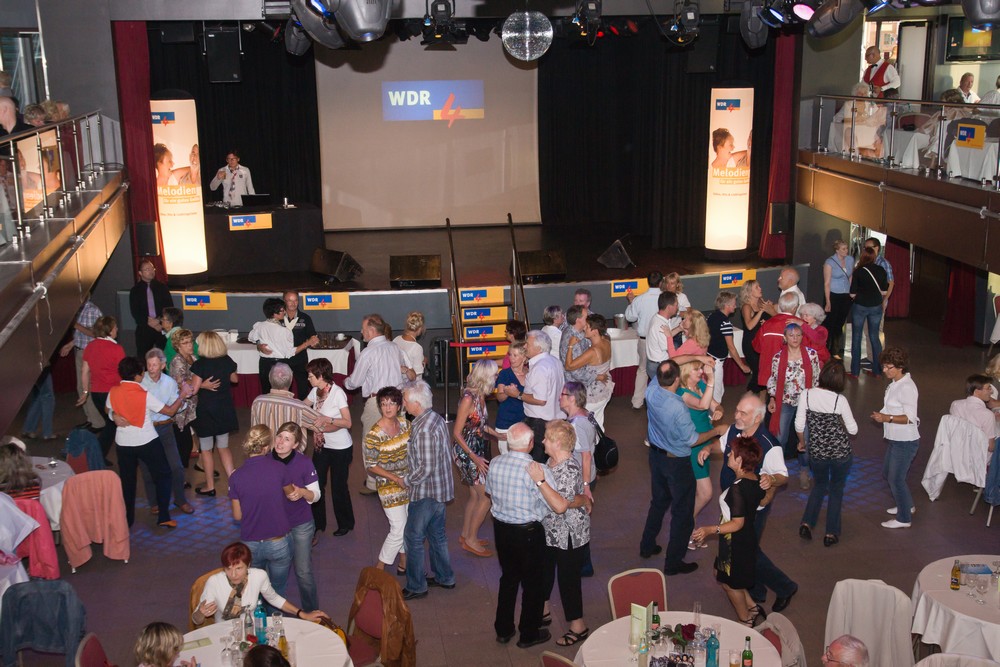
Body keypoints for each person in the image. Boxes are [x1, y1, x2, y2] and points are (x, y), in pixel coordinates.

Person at [698, 393, 797, 613]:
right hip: (732, 503)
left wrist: (771, 479)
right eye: (737, 410)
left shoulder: (769, 445)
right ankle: (756, 589)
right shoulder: (735, 430)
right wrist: (708, 448)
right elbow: (721, 445)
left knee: (747, 551)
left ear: (757, 418)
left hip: (753, 509)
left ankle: (785, 587)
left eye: (744, 413)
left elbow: (783, 476)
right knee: (745, 549)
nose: (737, 416)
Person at [639, 360, 727, 576]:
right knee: (682, 512)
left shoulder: (651, 390)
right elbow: (692, 439)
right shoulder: (678, 407)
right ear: (677, 379)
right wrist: (716, 432)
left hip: (656, 457)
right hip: (677, 463)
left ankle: (647, 545)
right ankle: (673, 562)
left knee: (659, 502)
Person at [485, 422, 553, 648]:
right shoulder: (537, 469)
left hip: (502, 530)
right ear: (531, 443)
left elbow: (489, 492)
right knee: (533, 584)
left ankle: (503, 630)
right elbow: (551, 503)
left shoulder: (495, 463)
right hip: (529, 532)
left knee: (509, 578)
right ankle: (528, 634)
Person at [528, 420, 593, 648]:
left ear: (557, 442)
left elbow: (560, 505)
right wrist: (582, 499)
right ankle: (544, 610)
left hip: (569, 534)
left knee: (568, 580)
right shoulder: (552, 460)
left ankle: (578, 627)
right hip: (551, 530)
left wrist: (540, 481)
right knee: (545, 571)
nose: (542, 441)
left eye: (546, 438)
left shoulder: (568, 468)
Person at [691, 436, 765, 626]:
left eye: (732, 453)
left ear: (739, 460)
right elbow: (763, 499)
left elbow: (737, 523)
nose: (728, 455)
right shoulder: (755, 479)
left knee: (729, 584)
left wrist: (709, 529)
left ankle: (745, 620)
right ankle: (753, 607)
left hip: (735, 542)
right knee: (722, 573)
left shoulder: (737, 489)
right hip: (745, 538)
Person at [107, 356, 184, 528]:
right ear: (137, 375)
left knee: (128, 482)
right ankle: (163, 516)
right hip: (146, 441)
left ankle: (128, 521)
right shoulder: (144, 394)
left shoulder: (114, 391)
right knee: (164, 475)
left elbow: (108, 408)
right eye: (142, 372)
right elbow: (170, 411)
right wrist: (182, 396)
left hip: (123, 444)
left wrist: (113, 415)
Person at [344, 313, 414, 494]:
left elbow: (355, 382)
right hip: (397, 400)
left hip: (377, 402)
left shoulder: (368, 352)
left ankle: (373, 483)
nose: (361, 332)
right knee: (397, 440)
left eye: (363, 329)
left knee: (371, 442)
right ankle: (398, 477)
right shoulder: (395, 348)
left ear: (371, 330)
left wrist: (345, 382)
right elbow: (406, 375)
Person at [400, 380, 456, 600]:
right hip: (440, 489)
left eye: (405, 399)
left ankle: (416, 585)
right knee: (437, 535)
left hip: (426, 492)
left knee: (413, 537)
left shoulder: (423, 429)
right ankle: (445, 577)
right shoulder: (435, 418)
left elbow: (425, 468)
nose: (403, 403)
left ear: (416, 403)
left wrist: (406, 480)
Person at [796, 362, 858, 547]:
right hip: (840, 453)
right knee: (836, 489)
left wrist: (802, 442)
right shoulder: (840, 400)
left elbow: (799, 425)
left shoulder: (806, 394)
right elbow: (853, 430)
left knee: (819, 486)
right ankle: (831, 533)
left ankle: (807, 523)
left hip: (817, 452)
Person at [192, 542, 329, 625]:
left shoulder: (258, 576)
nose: (233, 574)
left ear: (248, 566)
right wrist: (201, 613)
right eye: (228, 569)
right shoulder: (215, 582)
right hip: (224, 633)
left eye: (238, 568)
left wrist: (302, 614)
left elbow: (274, 598)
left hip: (252, 631)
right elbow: (196, 620)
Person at [228, 425, 293, 598]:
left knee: (254, 588)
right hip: (278, 541)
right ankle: (274, 614)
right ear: (266, 447)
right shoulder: (279, 468)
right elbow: (291, 493)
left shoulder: (236, 477)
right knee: (277, 589)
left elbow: (237, 515)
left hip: (251, 544)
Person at [271, 422, 321, 612]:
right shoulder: (266, 460)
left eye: (287, 439)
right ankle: (273, 616)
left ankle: (312, 614)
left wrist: (301, 492)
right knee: (274, 574)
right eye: (279, 436)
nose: (280, 442)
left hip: (301, 524)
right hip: (275, 525)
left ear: (295, 445)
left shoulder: (304, 463)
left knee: (303, 572)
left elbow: (316, 495)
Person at [453, 359, 500, 557]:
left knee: (475, 494)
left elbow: (479, 425)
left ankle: (466, 534)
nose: (496, 377)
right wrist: (475, 458)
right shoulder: (468, 399)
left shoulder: (479, 395)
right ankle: (471, 539)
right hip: (467, 453)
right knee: (487, 497)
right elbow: (457, 432)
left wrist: (498, 435)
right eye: (494, 374)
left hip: (476, 450)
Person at [139, 348, 193, 516]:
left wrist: (183, 400)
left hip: (165, 427)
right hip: (146, 428)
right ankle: (154, 502)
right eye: (149, 365)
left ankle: (180, 499)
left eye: (155, 365)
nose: (151, 368)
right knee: (147, 469)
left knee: (176, 467)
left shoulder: (169, 382)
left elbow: (174, 406)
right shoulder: (140, 382)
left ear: (163, 365)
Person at [363, 386, 410, 574]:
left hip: (408, 482)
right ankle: (379, 568)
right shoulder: (374, 434)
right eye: (383, 404)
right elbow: (371, 465)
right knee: (398, 527)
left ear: (399, 406)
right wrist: (395, 478)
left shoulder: (405, 424)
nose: (388, 407)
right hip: (388, 485)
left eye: (391, 403)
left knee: (406, 524)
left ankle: (403, 562)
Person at [872, 346, 920, 529]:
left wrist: (887, 418)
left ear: (900, 367)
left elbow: (910, 417)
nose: (885, 370)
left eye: (888, 367)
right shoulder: (895, 383)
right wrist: (883, 415)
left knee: (896, 479)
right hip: (895, 439)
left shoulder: (907, 387)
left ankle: (904, 518)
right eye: (884, 366)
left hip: (905, 441)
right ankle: (907, 505)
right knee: (888, 473)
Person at [305, 357, 353, 538]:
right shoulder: (315, 391)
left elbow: (347, 423)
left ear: (320, 376)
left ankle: (345, 523)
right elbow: (302, 407)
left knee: (338, 486)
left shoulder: (337, 393)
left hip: (341, 448)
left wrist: (328, 420)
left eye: (311, 375)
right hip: (322, 446)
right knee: (316, 484)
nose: (308, 378)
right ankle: (318, 524)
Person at [766, 323, 821, 478]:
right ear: (785, 338)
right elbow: (773, 380)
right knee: (780, 437)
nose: (795, 338)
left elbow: (817, 379)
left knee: (806, 438)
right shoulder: (778, 358)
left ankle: (804, 469)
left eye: (798, 335)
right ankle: (778, 469)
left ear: (802, 337)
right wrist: (772, 399)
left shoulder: (812, 355)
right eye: (791, 335)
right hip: (785, 401)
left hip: (807, 403)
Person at [190, 330, 239, 495]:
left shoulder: (199, 365)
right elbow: (235, 379)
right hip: (224, 408)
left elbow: (193, 390)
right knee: (224, 447)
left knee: (206, 449)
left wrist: (203, 385)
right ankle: (234, 485)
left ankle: (210, 486)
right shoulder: (227, 361)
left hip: (206, 411)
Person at [677, 360, 722, 538]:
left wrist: (719, 410)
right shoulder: (682, 393)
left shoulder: (700, 385)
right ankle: (687, 523)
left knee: (698, 491)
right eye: (696, 369)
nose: (701, 371)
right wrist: (711, 381)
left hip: (705, 441)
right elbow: (702, 405)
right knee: (705, 493)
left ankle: (687, 525)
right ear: (686, 372)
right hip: (693, 444)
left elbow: (714, 404)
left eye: (700, 368)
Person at [168, 328, 217, 473]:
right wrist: (203, 385)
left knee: (208, 433)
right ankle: (179, 475)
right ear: (178, 346)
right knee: (184, 444)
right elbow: (182, 383)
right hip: (182, 408)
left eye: (190, 342)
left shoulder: (193, 358)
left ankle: (202, 463)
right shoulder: (177, 361)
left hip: (195, 406)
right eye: (185, 343)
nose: (190, 345)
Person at [77, 315, 126, 462]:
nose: (117, 329)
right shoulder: (116, 349)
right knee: (112, 425)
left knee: (110, 424)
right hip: (112, 393)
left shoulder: (90, 346)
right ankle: (95, 456)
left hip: (96, 393)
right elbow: (124, 372)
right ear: (109, 330)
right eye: (115, 327)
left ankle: (99, 456)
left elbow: (84, 371)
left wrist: (85, 392)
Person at [249, 297, 318, 397]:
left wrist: (259, 343)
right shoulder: (284, 331)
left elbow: (251, 337)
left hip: (264, 364)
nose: (284, 312)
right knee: (283, 394)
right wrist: (307, 343)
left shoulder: (259, 326)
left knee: (267, 393)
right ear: (275, 313)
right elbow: (289, 353)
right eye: (282, 310)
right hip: (280, 365)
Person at [58, 297, 105, 431]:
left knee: (87, 387)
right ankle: (91, 419)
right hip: (80, 350)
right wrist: (70, 344)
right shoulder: (79, 310)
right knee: (81, 387)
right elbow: (81, 335)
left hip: (89, 352)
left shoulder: (92, 310)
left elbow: (96, 334)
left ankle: (98, 423)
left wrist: (76, 325)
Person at [250, 363, 323, 446]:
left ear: (269, 379)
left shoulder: (257, 401)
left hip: (264, 451)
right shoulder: (299, 407)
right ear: (291, 380)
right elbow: (323, 425)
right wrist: (333, 420)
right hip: (290, 453)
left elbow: (254, 432)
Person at [520, 330, 565, 461]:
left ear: (538, 348)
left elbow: (540, 400)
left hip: (539, 423)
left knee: (537, 462)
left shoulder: (540, 367)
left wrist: (518, 394)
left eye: (527, 344)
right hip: (555, 419)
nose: (524, 346)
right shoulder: (555, 361)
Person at [564, 313, 614, 429]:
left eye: (587, 327)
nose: (584, 328)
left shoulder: (593, 352)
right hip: (605, 387)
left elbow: (569, 366)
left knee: (583, 423)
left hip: (594, 393)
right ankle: (599, 439)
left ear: (595, 331)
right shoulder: (606, 340)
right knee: (598, 422)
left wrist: (570, 346)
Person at [625, 270, 664, 409]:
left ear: (648, 282)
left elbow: (630, 317)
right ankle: (660, 400)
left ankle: (637, 402)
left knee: (642, 370)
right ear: (661, 282)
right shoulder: (665, 298)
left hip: (644, 339)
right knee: (662, 370)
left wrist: (631, 302)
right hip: (660, 340)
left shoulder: (639, 299)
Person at [849, 246, 889, 378]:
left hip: (860, 306)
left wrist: (859, 296)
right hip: (876, 306)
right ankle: (878, 371)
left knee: (857, 337)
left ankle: (855, 372)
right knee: (874, 337)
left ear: (863, 256)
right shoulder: (881, 270)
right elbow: (884, 290)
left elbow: (852, 293)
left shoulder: (858, 271)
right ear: (874, 257)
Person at [706, 291, 751, 403]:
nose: (735, 306)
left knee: (718, 390)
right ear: (727, 305)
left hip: (709, 356)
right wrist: (742, 366)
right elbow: (731, 347)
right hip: (716, 362)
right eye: (734, 304)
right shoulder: (725, 323)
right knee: (717, 395)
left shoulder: (711, 316)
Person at [753, 292, 802, 390]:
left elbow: (757, 347)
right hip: (792, 374)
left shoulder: (767, 324)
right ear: (795, 308)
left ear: (779, 306)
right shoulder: (800, 325)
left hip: (769, 373)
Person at [128, 259, 173, 359]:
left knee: (165, 356)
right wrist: (150, 322)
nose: (151, 271)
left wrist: (159, 321)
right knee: (143, 357)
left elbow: (169, 307)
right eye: (147, 269)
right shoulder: (135, 290)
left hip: (161, 327)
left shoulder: (162, 288)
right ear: (140, 273)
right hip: (144, 328)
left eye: (152, 268)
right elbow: (135, 312)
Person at [738, 280, 775, 394]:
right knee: (758, 373)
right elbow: (749, 326)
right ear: (749, 291)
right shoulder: (747, 306)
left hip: (763, 343)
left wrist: (770, 310)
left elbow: (777, 319)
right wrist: (761, 311)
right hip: (751, 344)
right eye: (757, 287)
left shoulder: (763, 304)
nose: (760, 288)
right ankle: (747, 397)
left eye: (759, 286)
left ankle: (761, 402)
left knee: (764, 373)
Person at [282, 291, 319, 399]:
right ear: (284, 301)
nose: (293, 303)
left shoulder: (305, 318)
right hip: (283, 358)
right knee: (284, 390)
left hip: (300, 358)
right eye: (290, 300)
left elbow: (312, 336)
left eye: (295, 300)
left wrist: (314, 341)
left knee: (303, 389)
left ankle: (304, 408)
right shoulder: (279, 317)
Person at [823, 239, 855, 359]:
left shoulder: (850, 260)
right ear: (837, 250)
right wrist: (828, 301)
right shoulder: (830, 262)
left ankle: (835, 349)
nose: (846, 251)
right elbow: (827, 282)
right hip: (833, 294)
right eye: (843, 249)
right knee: (830, 322)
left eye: (846, 248)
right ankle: (826, 348)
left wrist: (851, 292)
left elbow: (850, 276)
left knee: (840, 323)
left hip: (845, 295)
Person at [494, 341, 527, 455]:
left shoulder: (531, 373)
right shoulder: (504, 373)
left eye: (515, 355)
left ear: (524, 357)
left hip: (525, 422)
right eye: (510, 355)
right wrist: (508, 393)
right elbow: (499, 397)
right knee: (506, 456)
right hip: (506, 422)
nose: (511, 358)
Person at [949, 374, 999, 445]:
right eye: (988, 388)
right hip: (978, 450)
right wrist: (994, 421)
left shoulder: (955, 405)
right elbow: (990, 447)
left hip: (957, 446)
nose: (991, 392)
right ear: (977, 391)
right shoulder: (987, 415)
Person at [645, 291, 679, 380]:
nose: (677, 307)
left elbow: (668, 336)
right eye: (676, 305)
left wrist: (679, 328)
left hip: (655, 364)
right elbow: (669, 348)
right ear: (669, 307)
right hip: (659, 366)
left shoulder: (659, 318)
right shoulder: (660, 326)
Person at [21, 366, 55, 441]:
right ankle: (47, 433)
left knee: (38, 397)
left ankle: (28, 429)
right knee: (47, 396)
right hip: (39, 367)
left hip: (28, 368)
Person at [559, 306, 592, 384]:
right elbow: (576, 372)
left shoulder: (573, 330)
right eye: (586, 317)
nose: (589, 319)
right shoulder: (572, 339)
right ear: (578, 320)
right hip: (576, 384)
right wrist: (597, 377)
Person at [393, 311, 426, 379]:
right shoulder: (417, 348)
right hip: (409, 384)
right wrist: (423, 364)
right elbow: (417, 376)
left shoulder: (396, 339)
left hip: (396, 381)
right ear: (420, 328)